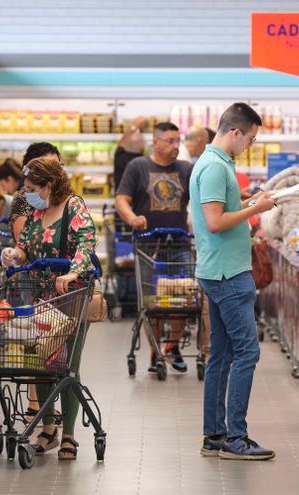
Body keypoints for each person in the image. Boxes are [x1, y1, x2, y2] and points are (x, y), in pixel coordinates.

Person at [190, 102, 277, 461]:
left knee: (222, 355)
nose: (250, 145)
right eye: (251, 139)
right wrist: (255, 210)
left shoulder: (219, 163)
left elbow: (222, 206)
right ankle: (235, 437)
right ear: (235, 132)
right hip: (227, 274)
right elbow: (214, 222)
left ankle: (214, 435)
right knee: (247, 351)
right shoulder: (213, 167)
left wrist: (246, 199)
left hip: (220, 270)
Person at [0, 157, 97, 460]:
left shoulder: (74, 206)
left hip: (70, 297)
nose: (26, 194)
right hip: (39, 298)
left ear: (49, 185)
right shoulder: (36, 211)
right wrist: (15, 254)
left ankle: (68, 435)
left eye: (31, 189)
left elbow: (86, 244)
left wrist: (72, 272)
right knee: (40, 365)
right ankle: (48, 429)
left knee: (67, 367)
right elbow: (26, 246)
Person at [116, 122, 193, 374]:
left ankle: (171, 346)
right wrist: (132, 218)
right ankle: (155, 351)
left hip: (180, 242)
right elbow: (122, 199)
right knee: (153, 303)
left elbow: (204, 199)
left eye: (177, 140)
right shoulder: (138, 166)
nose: (175, 146)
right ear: (155, 141)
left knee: (183, 300)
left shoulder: (186, 169)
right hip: (148, 245)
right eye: (169, 141)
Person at [8, 142, 61, 241]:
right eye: (51, 167)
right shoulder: (23, 198)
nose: (58, 172)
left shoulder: (60, 195)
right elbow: (22, 242)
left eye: (59, 166)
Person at [113, 116, 147, 191]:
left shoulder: (120, 154)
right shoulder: (137, 160)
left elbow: (121, 141)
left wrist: (134, 126)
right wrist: (135, 126)